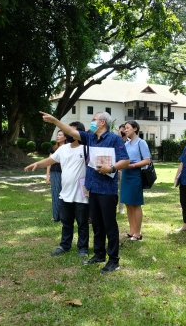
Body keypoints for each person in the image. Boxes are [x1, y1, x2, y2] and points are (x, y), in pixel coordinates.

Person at [39, 110, 130, 274]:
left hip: (107, 190)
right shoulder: (90, 138)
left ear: (102, 122)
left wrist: (111, 168)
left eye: (94, 120)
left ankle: (114, 260)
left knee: (109, 225)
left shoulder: (114, 139)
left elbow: (125, 160)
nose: (92, 122)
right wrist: (55, 121)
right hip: (92, 188)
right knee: (96, 224)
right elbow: (71, 131)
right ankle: (99, 254)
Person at [25, 122, 89, 258]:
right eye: (68, 130)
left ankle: (83, 248)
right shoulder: (63, 149)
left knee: (82, 223)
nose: (68, 133)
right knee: (66, 222)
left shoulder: (86, 149)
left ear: (79, 133)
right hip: (65, 193)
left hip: (82, 193)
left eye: (71, 130)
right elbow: (49, 161)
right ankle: (64, 245)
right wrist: (37, 163)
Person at [120, 121, 151, 241]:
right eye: (125, 128)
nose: (125, 130)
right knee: (128, 203)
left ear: (135, 129)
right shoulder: (126, 144)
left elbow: (147, 160)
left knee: (136, 204)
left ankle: (138, 233)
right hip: (126, 174)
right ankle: (132, 230)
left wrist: (133, 166)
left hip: (135, 174)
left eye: (127, 128)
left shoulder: (141, 143)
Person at [47, 131, 66, 221]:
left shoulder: (68, 148)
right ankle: (55, 216)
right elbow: (48, 162)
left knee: (65, 194)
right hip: (55, 172)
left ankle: (64, 216)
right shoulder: (54, 148)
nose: (57, 137)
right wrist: (48, 175)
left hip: (66, 172)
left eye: (60, 135)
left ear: (65, 137)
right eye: (57, 135)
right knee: (55, 193)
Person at [117, 124, 127, 215]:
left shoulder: (129, 142)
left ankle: (121, 208)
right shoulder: (115, 140)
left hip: (124, 169)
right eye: (121, 130)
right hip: (114, 168)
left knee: (122, 189)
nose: (123, 131)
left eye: (125, 130)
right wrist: (119, 137)